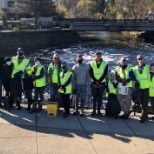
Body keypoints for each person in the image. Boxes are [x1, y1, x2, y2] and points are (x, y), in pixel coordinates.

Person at [89, 52, 108, 116]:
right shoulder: (91, 63)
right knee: (94, 98)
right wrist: (95, 81)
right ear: (95, 56)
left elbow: (105, 73)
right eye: (97, 56)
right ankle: (93, 111)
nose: (98, 57)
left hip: (101, 83)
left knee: (100, 97)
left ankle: (99, 111)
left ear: (101, 56)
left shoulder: (105, 63)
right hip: (94, 83)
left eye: (99, 56)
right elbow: (90, 73)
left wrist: (99, 81)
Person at [133, 54, 150, 123]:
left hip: (146, 87)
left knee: (145, 102)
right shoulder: (134, 68)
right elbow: (131, 75)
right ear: (137, 60)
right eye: (139, 59)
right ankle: (145, 114)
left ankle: (143, 116)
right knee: (139, 102)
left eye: (141, 59)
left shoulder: (148, 67)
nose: (140, 60)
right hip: (138, 88)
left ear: (143, 59)